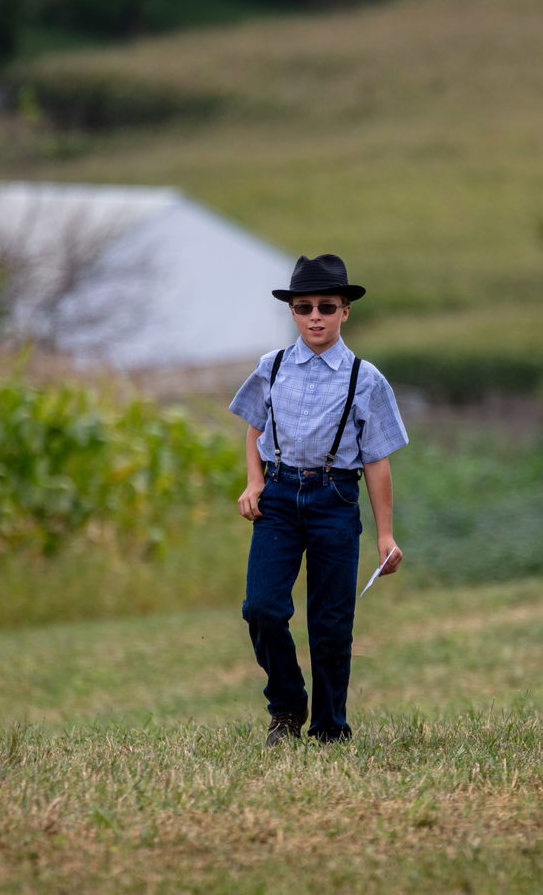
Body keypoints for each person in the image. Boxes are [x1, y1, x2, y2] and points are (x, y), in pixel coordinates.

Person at [229, 253, 408, 746]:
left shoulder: (365, 378)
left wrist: (385, 535)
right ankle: (286, 708)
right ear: (291, 311)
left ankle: (331, 726)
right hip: (280, 495)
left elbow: (376, 460)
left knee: (330, 621)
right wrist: (254, 481)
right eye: (304, 306)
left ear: (345, 311)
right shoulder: (273, 365)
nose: (315, 316)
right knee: (262, 607)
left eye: (326, 307)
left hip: (335, 497)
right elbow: (255, 427)